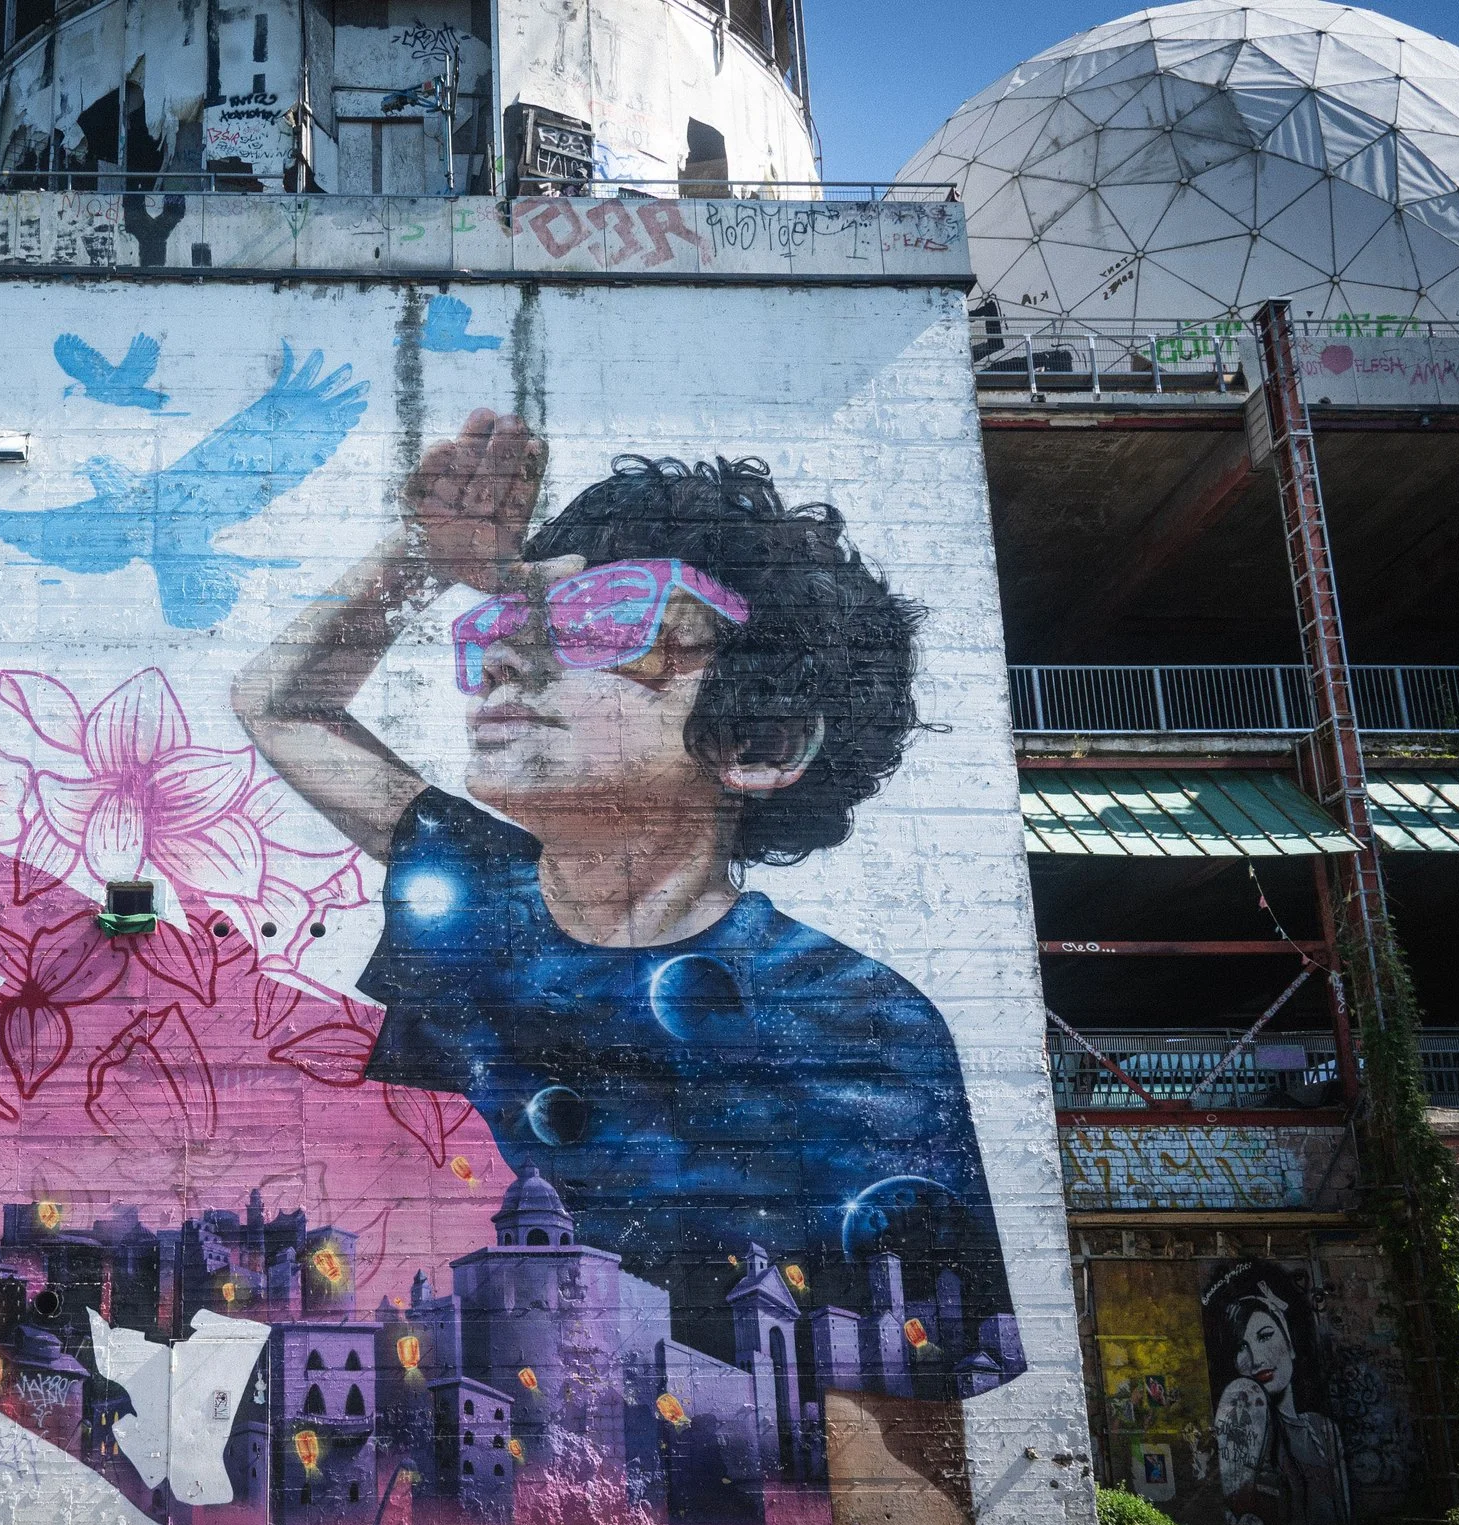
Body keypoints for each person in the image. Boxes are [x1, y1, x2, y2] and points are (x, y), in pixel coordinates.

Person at [233, 410, 1021, 1393]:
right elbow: (282, 702)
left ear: (763, 740)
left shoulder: (857, 1023)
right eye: (497, 630)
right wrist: (419, 560)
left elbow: (896, 1441)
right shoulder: (473, 888)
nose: (512, 657)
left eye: (600, 620)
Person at [1205, 1264, 1348, 1525]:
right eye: (1241, 1347)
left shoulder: (1322, 1429)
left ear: (1289, 1341)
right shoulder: (1237, 1434)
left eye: (1265, 1336)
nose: (1257, 1360)